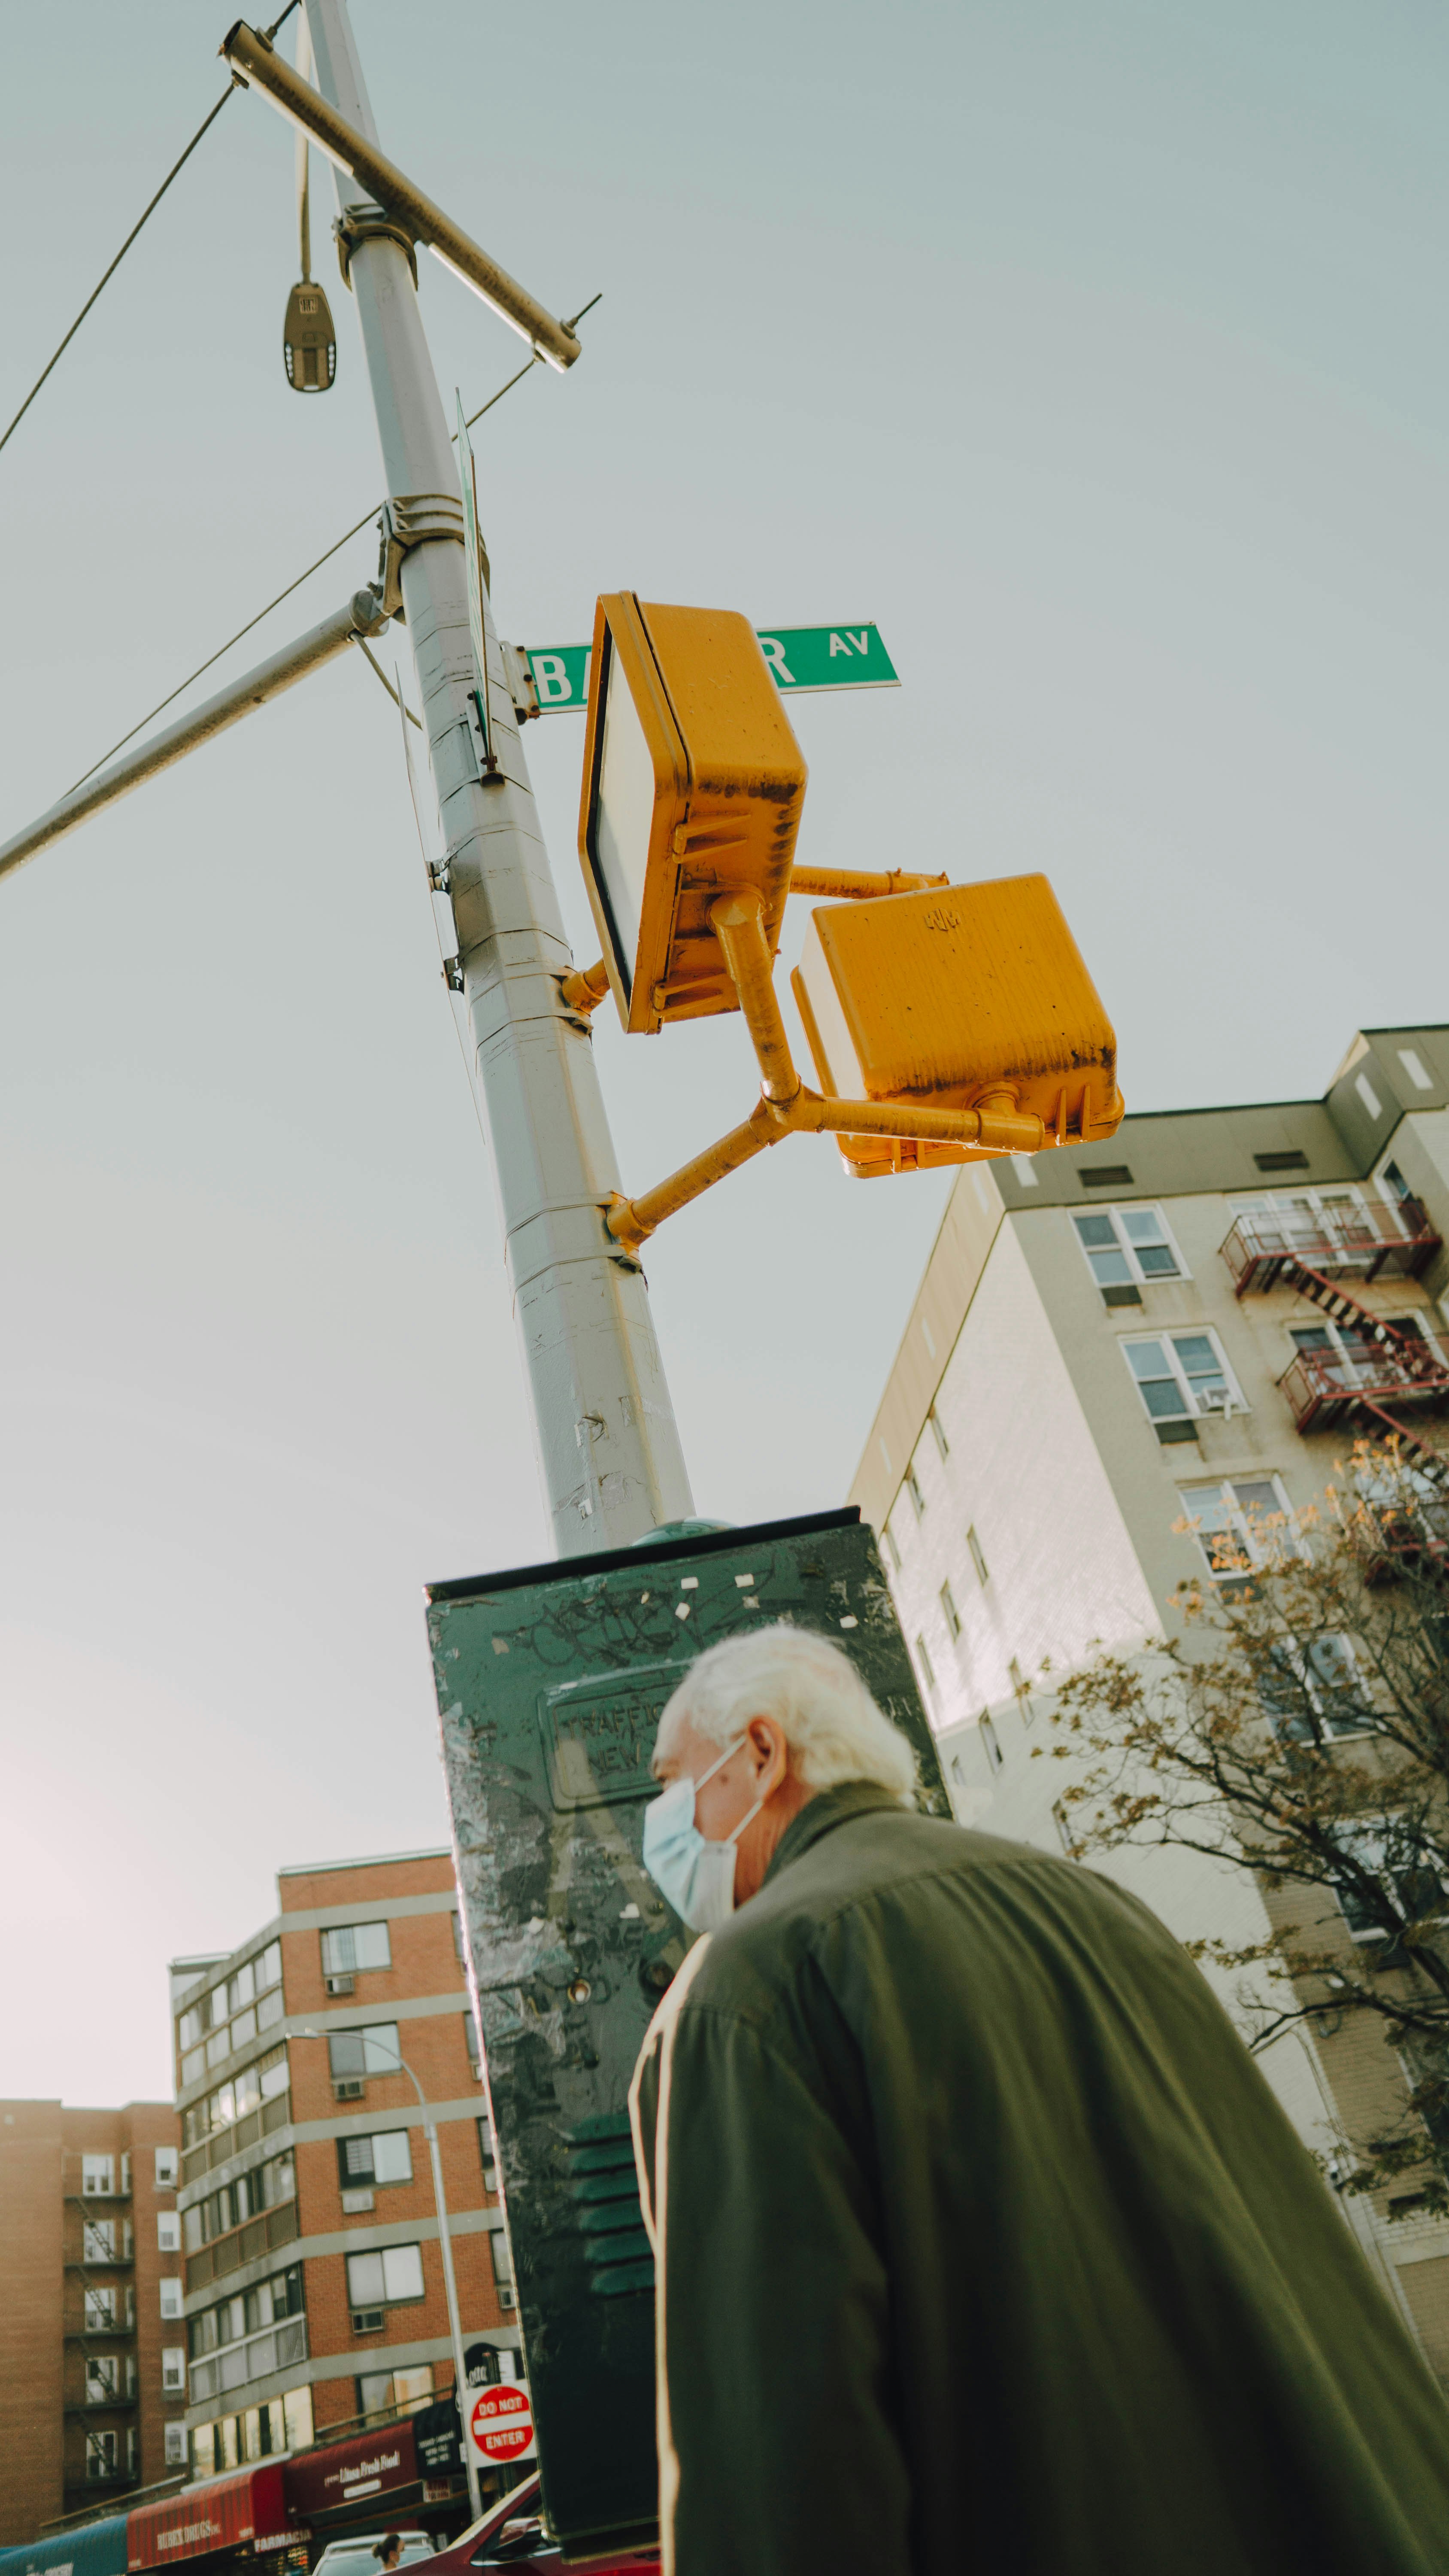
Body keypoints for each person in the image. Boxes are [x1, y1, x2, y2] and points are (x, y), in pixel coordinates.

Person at [628, 1623, 1449, 2576]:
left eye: (669, 1781)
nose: (661, 1818)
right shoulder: (1093, 1902)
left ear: (761, 1753)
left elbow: (780, 2474)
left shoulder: (747, 1989)